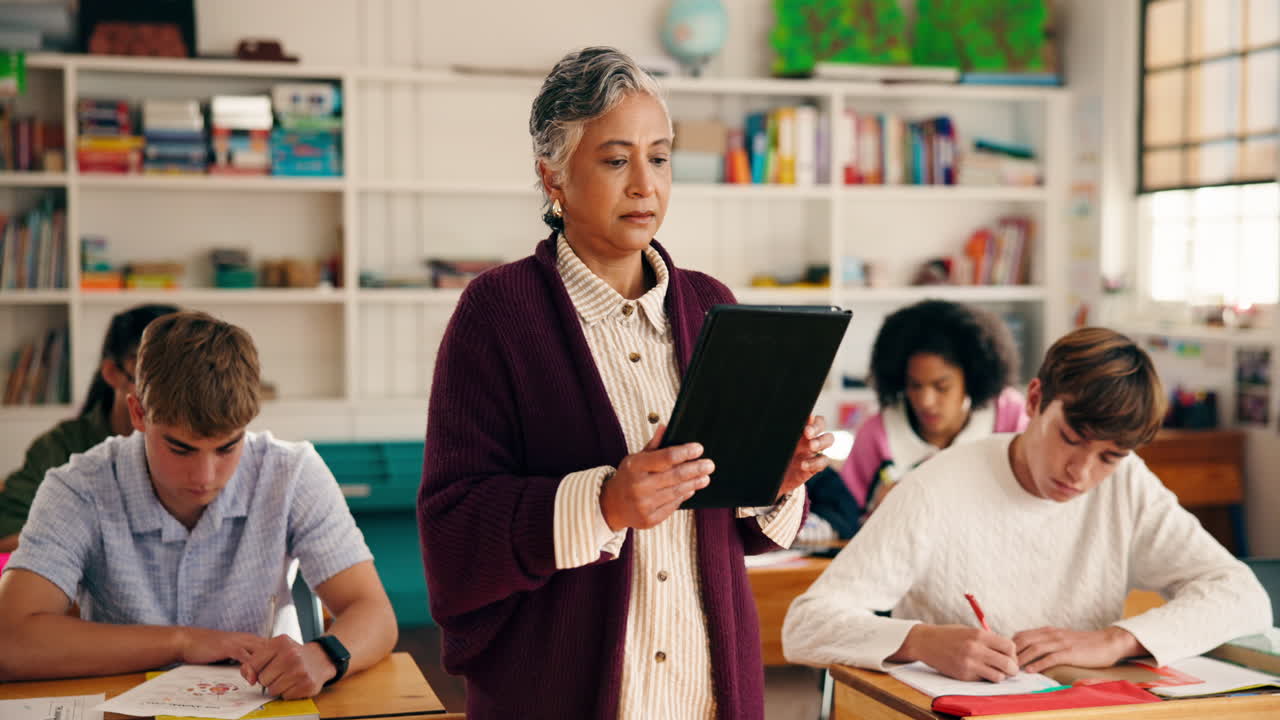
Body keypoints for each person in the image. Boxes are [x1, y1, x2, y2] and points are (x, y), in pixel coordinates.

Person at [417, 46, 832, 719]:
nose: (645, 184)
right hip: (560, 697)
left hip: (709, 694)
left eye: (659, 157)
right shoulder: (497, 315)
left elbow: (738, 536)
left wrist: (772, 483)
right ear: (553, 177)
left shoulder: (710, 304)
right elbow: (453, 534)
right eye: (615, 160)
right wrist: (606, 503)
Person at [783, 327, 1271, 681]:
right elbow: (805, 626)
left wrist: (1116, 639)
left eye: (1109, 456)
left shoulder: (1127, 484)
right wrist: (920, 642)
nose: (1081, 472)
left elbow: (1242, 595)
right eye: (1071, 438)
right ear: (1035, 400)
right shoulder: (934, 489)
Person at [0, 311, 398, 697]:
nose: (205, 476)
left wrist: (325, 656)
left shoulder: (291, 473)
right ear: (138, 412)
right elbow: (9, 641)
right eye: (180, 448)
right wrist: (181, 641)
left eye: (227, 447)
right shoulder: (78, 487)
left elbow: (374, 612)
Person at [0, 304, 179, 552]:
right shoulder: (60, 448)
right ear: (113, 373)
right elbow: (7, 537)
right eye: (154, 377)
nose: (171, 394)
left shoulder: (209, 449)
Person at [840, 299, 1027, 518]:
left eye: (942, 387)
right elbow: (844, 516)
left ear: (971, 381)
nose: (926, 401)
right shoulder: (878, 434)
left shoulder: (1009, 417)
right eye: (915, 385)